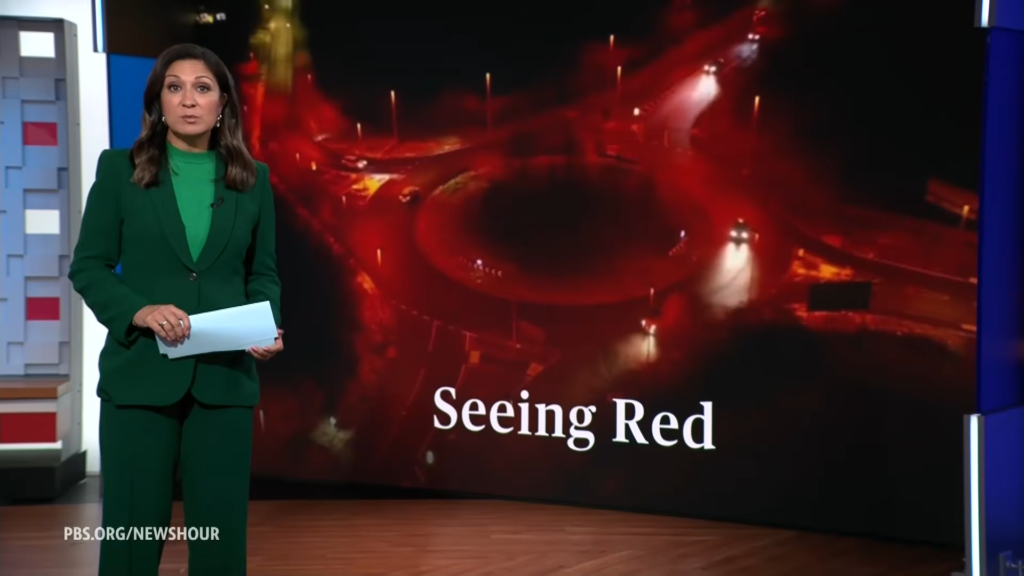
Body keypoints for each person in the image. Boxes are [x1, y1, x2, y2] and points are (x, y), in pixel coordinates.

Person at [68, 43, 282, 575]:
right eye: (175, 87)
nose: (189, 99)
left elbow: (263, 273)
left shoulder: (253, 178)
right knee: (133, 533)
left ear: (223, 105)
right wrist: (138, 311)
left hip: (224, 380)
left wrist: (267, 322)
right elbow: (89, 266)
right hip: (140, 375)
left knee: (220, 536)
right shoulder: (120, 170)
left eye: (203, 88)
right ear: (158, 101)